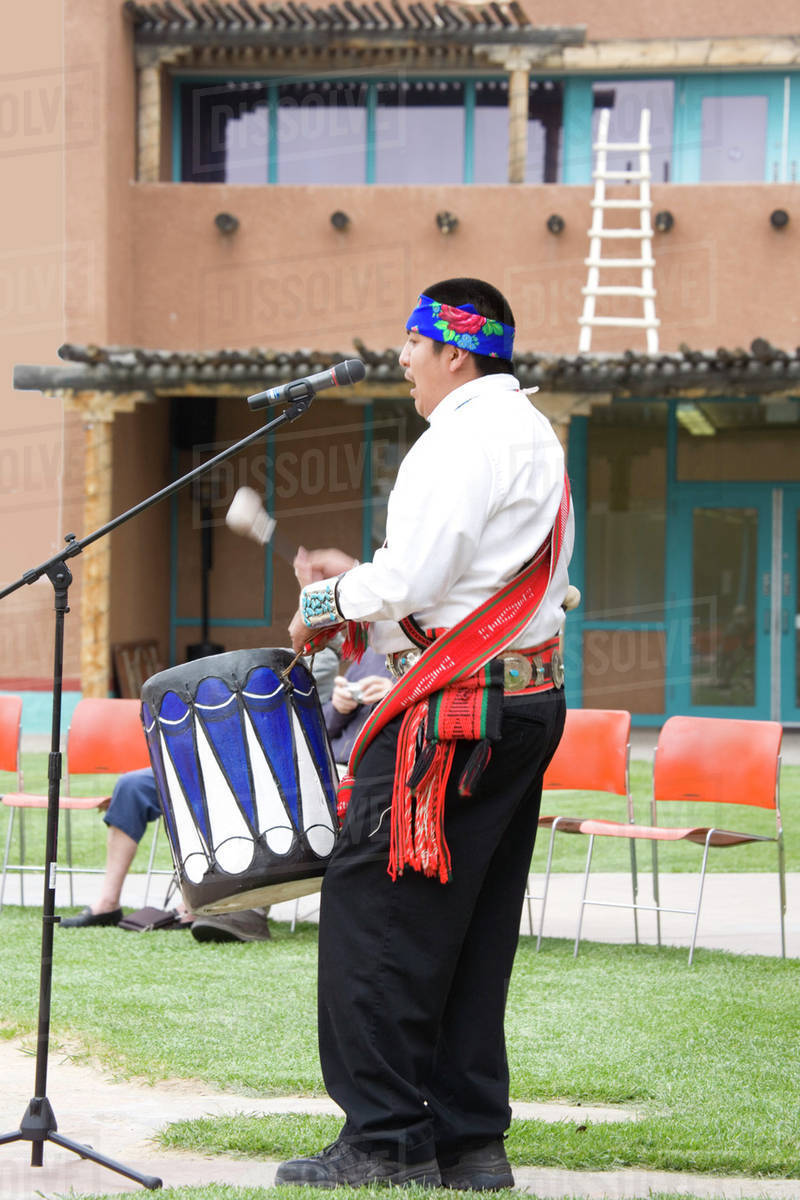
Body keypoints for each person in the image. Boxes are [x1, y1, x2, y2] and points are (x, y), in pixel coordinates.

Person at [280, 277, 574, 1190]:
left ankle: (381, 1140)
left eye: (411, 341)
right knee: (473, 928)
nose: (402, 359)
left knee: (379, 920)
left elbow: (412, 580)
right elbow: (459, 585)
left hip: (453, 718)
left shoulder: (460, 439)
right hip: (521, 701)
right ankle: (469, 1143)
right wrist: (370, 580)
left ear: (454, 348)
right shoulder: (531, 432)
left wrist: (323, 599)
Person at [60, 646, 340, 939]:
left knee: (234, 789)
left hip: (295, 766)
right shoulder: (278, 653)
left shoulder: (323, 660)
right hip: (226, 757)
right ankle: (107, 903)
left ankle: (214, 898)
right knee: (132, 786)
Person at [322, 648, 393, 767]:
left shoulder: (431, 658)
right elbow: (321, 727)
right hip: (332, 763)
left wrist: (400, 697)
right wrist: (338, 708)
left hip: (377, 773)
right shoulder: (374, 651)